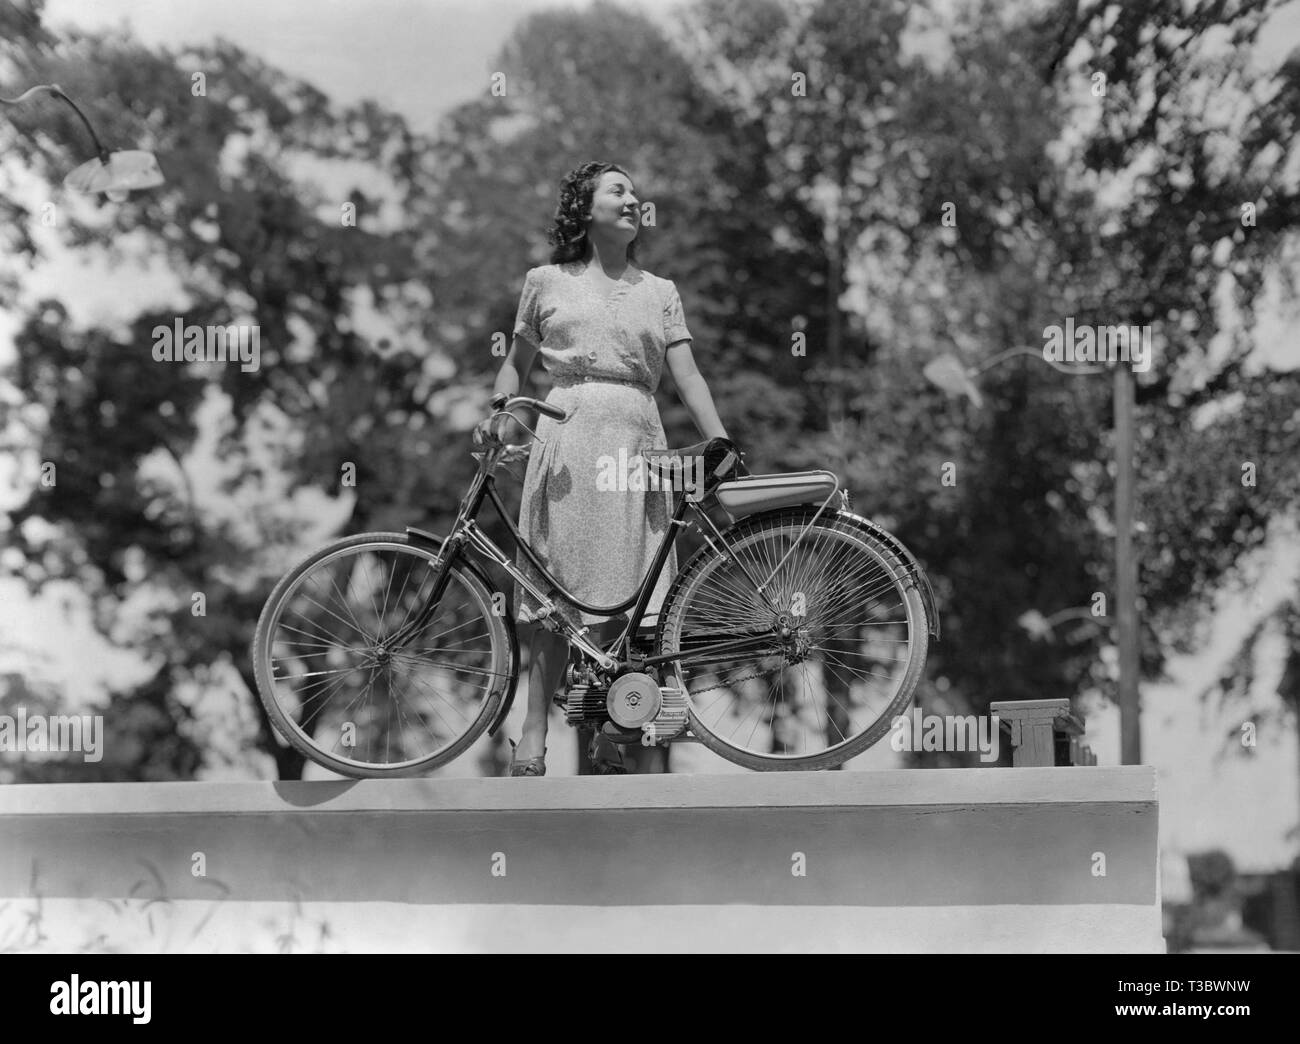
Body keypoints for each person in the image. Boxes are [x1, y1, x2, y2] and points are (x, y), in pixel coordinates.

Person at [480, 160, 729, 776]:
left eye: (635, 191)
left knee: (636, 592)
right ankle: (534, 730)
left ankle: (616, 725)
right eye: (617, 189)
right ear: (585, 208)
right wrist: (499, 411)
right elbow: (514, 365)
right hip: (566, 433)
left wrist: (720, 440)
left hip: (635, 435)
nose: (633, 198)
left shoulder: (659, 291)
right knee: (555, 595)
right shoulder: (544, 282)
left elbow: (688, 375)